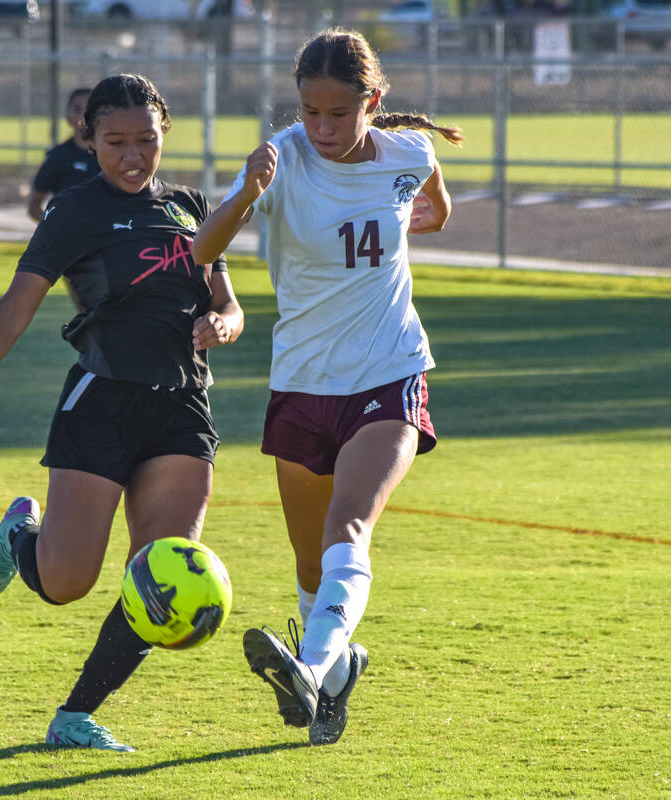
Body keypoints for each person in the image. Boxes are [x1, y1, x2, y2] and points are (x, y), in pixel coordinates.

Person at [0, 74, 243, 752]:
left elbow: (228, 300)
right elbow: (14, 311)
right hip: (101, 402)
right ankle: (21, 536)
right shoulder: (73, 211)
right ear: (90, 139)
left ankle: (74, 715)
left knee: (159, 575)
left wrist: (225, 323)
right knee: (67, 583)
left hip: (184, 407)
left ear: (165, 136)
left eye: (146, 140)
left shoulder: (190, 205)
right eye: (116, 142)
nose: (133, 156)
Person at [192, 29, 464, 747]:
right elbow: (202, 250)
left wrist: (397, 233)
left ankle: (310, 670)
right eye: (309, 112)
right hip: (303, 382)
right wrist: (248, 191)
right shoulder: (280, 161)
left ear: (372, 102)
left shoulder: (411, 153)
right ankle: (336, 671)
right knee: (311, 567)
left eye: (338, 114)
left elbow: (434, 208)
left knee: (350, 526)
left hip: (390, 373)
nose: (321, 128)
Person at [26, 87, 101, 223]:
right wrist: (58, 228)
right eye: (77, 109)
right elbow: (34, 206)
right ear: (68, 117)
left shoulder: (112, 154)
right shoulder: (58, 156)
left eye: (89, 108)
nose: (84, 115)